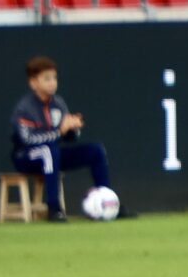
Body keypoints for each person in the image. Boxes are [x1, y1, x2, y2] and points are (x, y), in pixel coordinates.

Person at [10, 56, 113, 223]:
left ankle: (108, 202)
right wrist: (60, 131)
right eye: (47, 79)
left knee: (96, 150)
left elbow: (68, 137)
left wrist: (73, 128)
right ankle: (54, 209)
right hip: (26, 157)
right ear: (33, 83)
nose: (52, 83)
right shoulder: (24, 108)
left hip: (53, 154)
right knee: (48, 151)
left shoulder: (58, 103)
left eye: (54, 78)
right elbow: (27, 140)